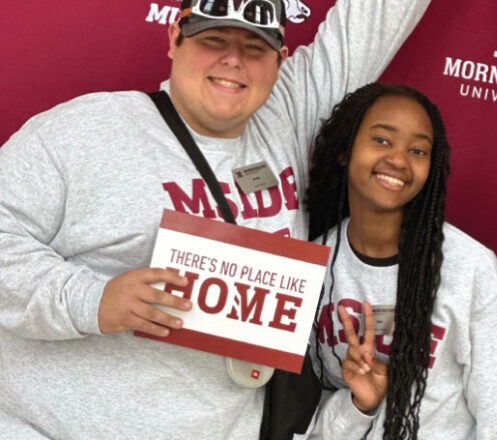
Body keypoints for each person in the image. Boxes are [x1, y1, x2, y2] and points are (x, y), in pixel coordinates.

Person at [0, 0, 430, 437]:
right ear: (174, 40)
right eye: (213, 40)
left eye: (255, 47)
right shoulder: (84, 131)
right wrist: (93, 301)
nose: (233, 59)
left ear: (280, 61)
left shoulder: (285, 117)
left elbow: (377, 16)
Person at [302, 83, 497, 439]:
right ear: (345, 149)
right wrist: (360, 406)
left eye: (418, 150)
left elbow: (496, 420)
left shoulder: (469, 267)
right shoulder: (315, 265)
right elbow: (307, 419)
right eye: (382, 140)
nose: (399, 160)